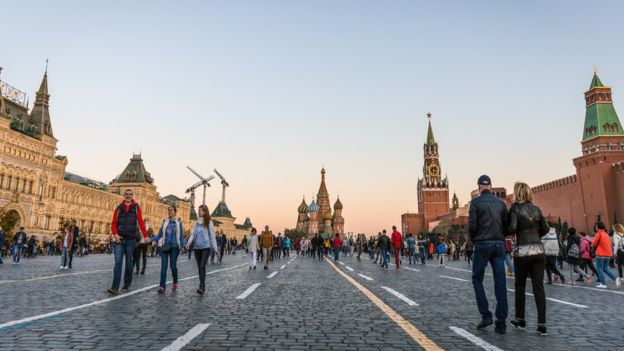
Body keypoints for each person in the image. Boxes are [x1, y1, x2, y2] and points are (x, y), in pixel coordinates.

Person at [468, 175, 508, 334]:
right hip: (498, 245)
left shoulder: (476, 202)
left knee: (477, 278)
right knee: (501, 283)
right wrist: (500, 236)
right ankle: (501, 323)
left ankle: (486, 316)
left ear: (479, 187)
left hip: (482, 244)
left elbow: (472, 224)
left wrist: (473, 239)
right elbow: (506, 224)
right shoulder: (501, 203)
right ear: (491, 186)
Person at [507, 182, 549, 336]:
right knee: (539, 287)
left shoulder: (515, 209)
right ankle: (542, 324)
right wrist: (536, 236)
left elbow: (511, 228)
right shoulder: (536, 208)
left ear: (517, 193)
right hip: (539, 251)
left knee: (520, 285)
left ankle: (520, 319)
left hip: (522, 252)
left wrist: (508, 231)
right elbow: (545, 228)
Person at [107, 189, 150, 295]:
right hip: (120, 240)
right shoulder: (118, 208)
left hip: (131, 239)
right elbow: (113, 224)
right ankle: (115, 287)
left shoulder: (136, 207)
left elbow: (140, 221)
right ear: (124, 196)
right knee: (118, 263)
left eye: (130, 194)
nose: (128, 196)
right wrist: (115, 235)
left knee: (129, 263)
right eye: (126, 194)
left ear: (132, 196)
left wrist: (146, 236)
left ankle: (126, 284)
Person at [186, 204, 219, 295]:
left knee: (202, 266)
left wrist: (215, 249)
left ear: (204, 212)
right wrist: (188, 243)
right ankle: (202, 285)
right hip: (197, 248)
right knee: (199, 268)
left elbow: (212, 236)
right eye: (198, 210)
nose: (198, 211)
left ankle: (201, 286)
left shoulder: (209, 222)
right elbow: (193, 234)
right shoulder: (196, 222)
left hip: (206, 247)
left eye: (200, 210)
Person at [151, 206, 184, 293]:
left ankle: (175, 281)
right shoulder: (165, 222)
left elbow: (181, 236)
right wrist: (151, 239)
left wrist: (182, 246)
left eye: (171, 210)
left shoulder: (178, 223)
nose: (169, 211)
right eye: (168, 210)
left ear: (175, 212)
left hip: (174, 247)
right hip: (165, 247)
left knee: (173, 266)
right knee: (163, 267)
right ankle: (162, 286)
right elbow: (159, 235)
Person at [592, 222, 619, 288]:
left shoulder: (598, 234)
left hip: (600, 254)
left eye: (596, 226)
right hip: (608, 254)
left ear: (598, 227)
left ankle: (603, 283)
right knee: (605, 268)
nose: (595, 227)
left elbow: (594, 244)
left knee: (600, 269)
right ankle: (616, 279)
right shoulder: (606, 234)